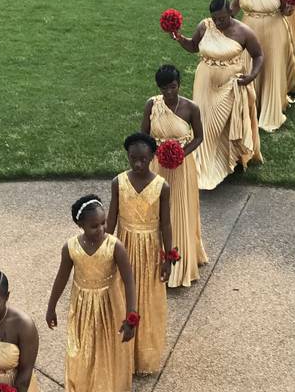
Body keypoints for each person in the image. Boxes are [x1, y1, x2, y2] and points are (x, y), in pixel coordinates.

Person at [46, 195, 136, 392]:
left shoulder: (115, 246)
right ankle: (85, 384)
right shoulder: (70, 248)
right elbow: (61, 278)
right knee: (81, 349)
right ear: (80, 225)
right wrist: (51, 306)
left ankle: (109, 385)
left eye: (103, 223)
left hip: (109, 305)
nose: (102, 229)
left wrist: (131, 316)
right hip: (82, 307)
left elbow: (129, 281)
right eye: (94, 226)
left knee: (107, 347)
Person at [170, 0, 264, 188]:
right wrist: (180, 38)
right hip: (204, 81)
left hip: (230, 83)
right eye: (215, 19)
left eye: (222, 18)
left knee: (219, 122)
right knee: (204, 120)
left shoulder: (244, 32)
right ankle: (204, 165)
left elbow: (258, 55)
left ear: (230, 11)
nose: (218, 23)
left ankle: (227, 158)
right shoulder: (205, 26)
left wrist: (251, 76)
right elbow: (193, 46)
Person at [105, 133, 172, 375]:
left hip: (151, 251)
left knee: (148, 299)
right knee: (122, 296)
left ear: (152, 157)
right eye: (133, 158)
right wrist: (105, 247)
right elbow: (111, 218)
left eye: (143, 159)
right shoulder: (118, 182)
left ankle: (143, 357)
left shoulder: (162, 186)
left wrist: (168, 256)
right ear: (128, 157)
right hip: (124, 246)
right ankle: (123, 354)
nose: (138, 164)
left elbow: (165, 224)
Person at [141, 65, 208, 288]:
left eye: (172, 87)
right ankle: (156, 261)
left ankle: (181, 261)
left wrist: (181, 153)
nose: (169, 92)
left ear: (178, 84)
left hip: (182, 167)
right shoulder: (152, 105)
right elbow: (143, 136)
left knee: (179, 209)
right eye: (164, 88)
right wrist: (151, 157)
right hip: (157, 164)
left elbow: (199, 137)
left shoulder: (191, 108)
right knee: (157, 210)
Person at [230, 0, 295, 131]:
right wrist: (224, 25)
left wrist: (291, 7)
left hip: (275, 31)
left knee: (272, 65)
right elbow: (234, 5)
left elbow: (285, 12)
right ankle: (250, 102)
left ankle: (271, 103)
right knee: (248, 63)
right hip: (249, 29)